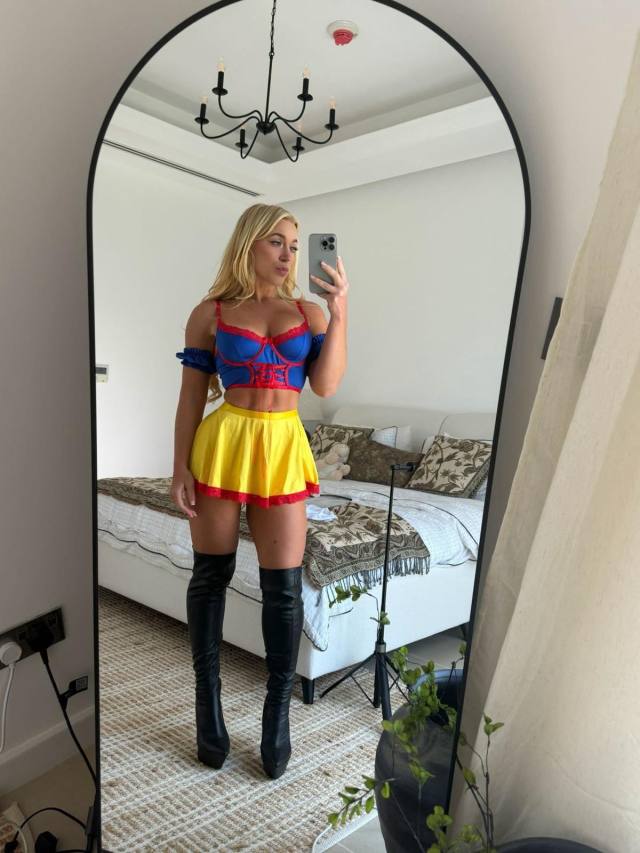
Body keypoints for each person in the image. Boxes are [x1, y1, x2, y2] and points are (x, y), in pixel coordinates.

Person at [171, 204, 348, 779]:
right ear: (248, 243)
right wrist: (179, 467)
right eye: (276, 242)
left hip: (282, 446)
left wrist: (340, 312)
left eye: (294, 245)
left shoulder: (310, 312)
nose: (288, 254)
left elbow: (325, 386)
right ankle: (208, 704)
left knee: (284, 590)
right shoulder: (211, 312)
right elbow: (191, 398)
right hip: (223, 442)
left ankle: (277, 715)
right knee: (210, 575)